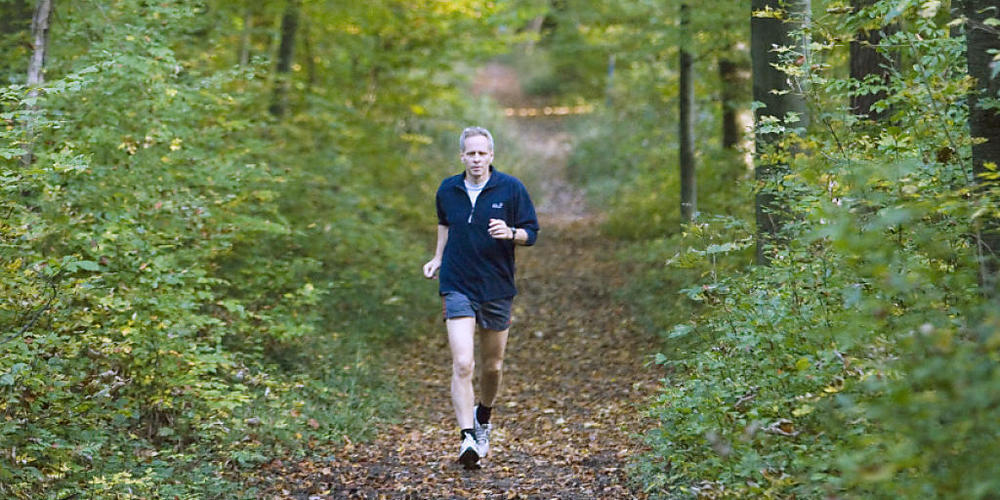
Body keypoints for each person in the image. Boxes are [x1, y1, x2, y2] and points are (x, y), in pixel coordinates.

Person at [422, 126, 539, 469]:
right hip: (457, 282)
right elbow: (445, 224)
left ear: (491, 156)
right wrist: (438, 258)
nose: (475, 159)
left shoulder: (511, 188)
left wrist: (511, 233)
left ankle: (483, 416)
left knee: (493, 366)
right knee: (463, 363)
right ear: (462, 156)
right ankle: (467, 438)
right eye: (470, 153)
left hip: (497, 287)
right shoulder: (448, 189)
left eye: (481, 153)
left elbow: (532, 232)